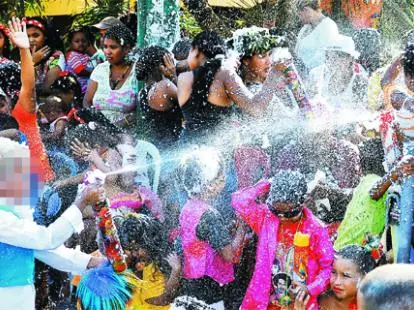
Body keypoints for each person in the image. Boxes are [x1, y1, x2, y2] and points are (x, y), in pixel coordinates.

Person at [231, 170, 334, 309]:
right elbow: (239, 201)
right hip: (263, 301)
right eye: (276, 210)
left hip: (299, 303)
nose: (282, 217)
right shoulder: (266, 219)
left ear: (303, 202)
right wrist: (268, 184)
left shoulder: (316, 229)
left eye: (289, 213)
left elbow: (328, 268)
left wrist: (310, 289)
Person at [178, 30, 289, 142]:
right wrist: (273, 75)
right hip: (209, 152)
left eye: (269, 55)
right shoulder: (226, 75)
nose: (269, 61)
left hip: (186, 144)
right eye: (262, 56)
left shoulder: (185, 77)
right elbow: (256, 109)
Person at [176, 147, 247, 309]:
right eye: (220, 178)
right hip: (211, 285)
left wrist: (225, 230)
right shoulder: (210, 216)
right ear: (208, 185)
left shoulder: (188, 207)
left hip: (193, 278)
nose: (223, 180)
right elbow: (229, 255)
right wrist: (241, 229)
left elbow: (200, 236)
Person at [120, 214, 181, 309]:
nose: (134, 254)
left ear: (149, 242)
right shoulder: (142, 260)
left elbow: (165, 299)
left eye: (136, 249)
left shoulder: (165, 262)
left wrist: (175, 271)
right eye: (131, 250)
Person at [83, 24, 138, 130]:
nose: (107, 52)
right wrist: (93, 118)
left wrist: (116, 126)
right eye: (105, 47)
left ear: (126, 48)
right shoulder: (100, 70)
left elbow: (140, 111)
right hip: (99, 131)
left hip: (127, 135)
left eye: (113, 47)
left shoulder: (137, 72)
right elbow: (87, 101)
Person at [136, 46, 183, 148]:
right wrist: (173, 75)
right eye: (170, 61)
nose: (173, 65)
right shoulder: (165, 86)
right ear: (162, 66)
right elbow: (191, 103)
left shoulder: (142, 93)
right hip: (173, 148)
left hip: (158, 146)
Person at [307, 34, 369, 112]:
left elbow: (364, 116)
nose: (334, 60)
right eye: (329, 55)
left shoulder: (359, 82)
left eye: (339, 55)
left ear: (351, 58)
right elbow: (306, 108)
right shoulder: (316, 75)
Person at [314, 245, 377, 310]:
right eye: (333, 272)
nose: (336, 282)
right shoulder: (321, 301)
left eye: (346, 275)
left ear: (364, 278)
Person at [294, 0, 339, 74]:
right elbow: (297, 50)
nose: (299, 18)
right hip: (300, 75)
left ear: (307, 10)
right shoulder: (305, 28)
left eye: (300, 14)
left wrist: (303, 67)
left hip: (317, 76)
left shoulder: (328, 26)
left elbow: (325, 55)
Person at [24, 16, 65, 96]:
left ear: (45, 37)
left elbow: (47, 88)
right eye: (27, 36)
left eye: (35, 35)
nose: (31, 40)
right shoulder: (20, 56)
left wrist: (32, 63)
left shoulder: (56, 57)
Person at [66, 28, 93, 94]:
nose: (80, 43)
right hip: (81, 89)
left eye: (83, 41)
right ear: (71, 44)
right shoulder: (73, 55)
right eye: (77, 41)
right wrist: (95, 73)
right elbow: (80, 71)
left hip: (88, 87)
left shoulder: (84, 54)